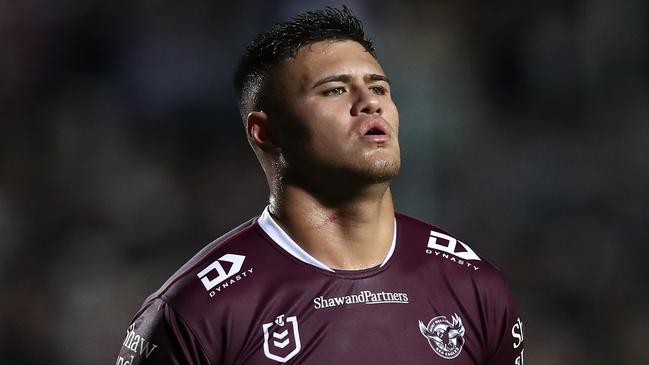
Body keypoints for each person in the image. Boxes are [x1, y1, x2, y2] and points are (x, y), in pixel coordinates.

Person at [116, 6, 524, 365]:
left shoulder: (472, 285)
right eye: (335, 90)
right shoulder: (197, 313)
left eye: (379, 87)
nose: (370, 102)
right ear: (264, 131)